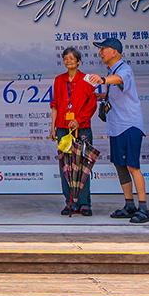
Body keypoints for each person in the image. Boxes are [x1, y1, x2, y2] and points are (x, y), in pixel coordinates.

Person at [91, 38, 149, 222]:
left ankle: (144, 209)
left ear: (115, 52)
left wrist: (102, 80)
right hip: (116, 126)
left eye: (103, 49)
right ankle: (129, 205)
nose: (100, 52)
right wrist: (101, 95)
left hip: (129, 125)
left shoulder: (124, 69)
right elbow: (116, 89)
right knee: (120, 165)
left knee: (133, 166)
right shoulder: (111, 72)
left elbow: (120, 79)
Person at [51, 47, 98, 216]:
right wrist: (53, 127)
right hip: (63, 129)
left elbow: (92, 104)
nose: (68, 61)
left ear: (78, 61)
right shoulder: (59, 80)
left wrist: (79, 120)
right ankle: (70, 202)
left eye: (72, 58)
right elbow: (55, 105)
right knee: (66, 167)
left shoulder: (86, 79)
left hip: (82, 128)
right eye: (66, 58)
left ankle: (84, 203)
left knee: (82, 166)